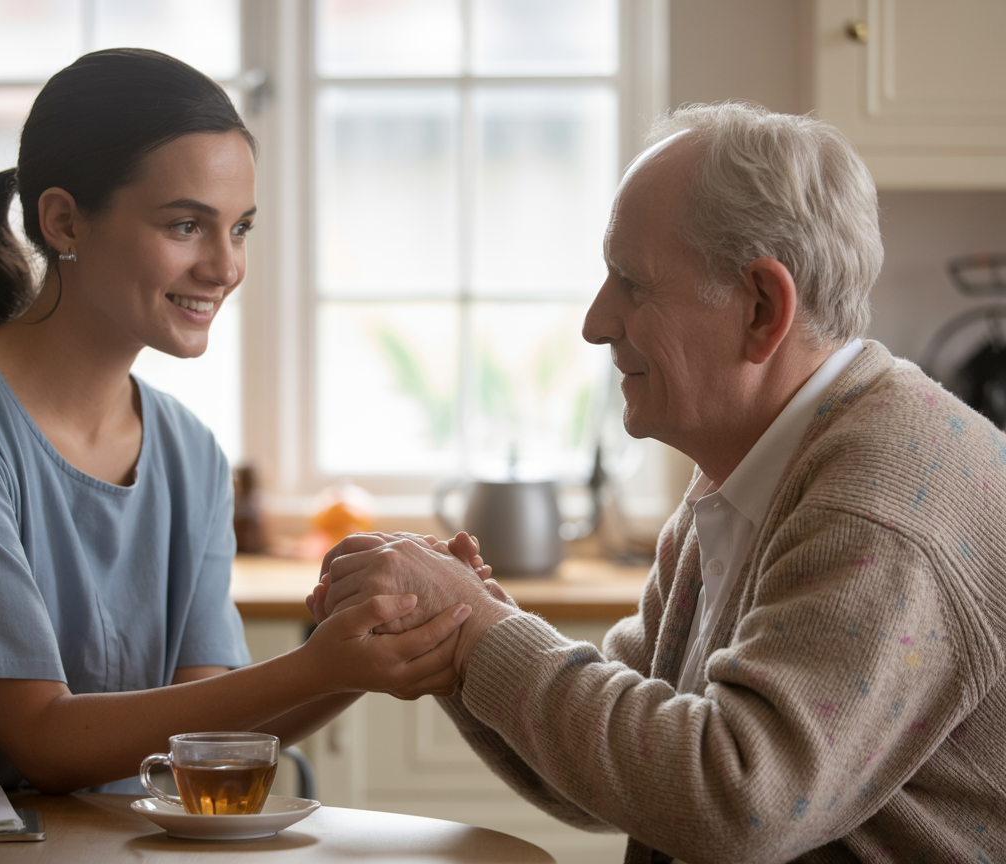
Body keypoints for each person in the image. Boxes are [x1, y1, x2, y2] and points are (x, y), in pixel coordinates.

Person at [310, 103, 1006, 862]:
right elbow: (633, 774)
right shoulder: (753, 467)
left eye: (632, 284)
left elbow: (736, 800)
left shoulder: (876, 506)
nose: (595, 322)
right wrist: (456, 631)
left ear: (763, 308)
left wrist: (480, 629)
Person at [0, 48, 473, 794]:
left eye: (240, 228)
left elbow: (207, 740)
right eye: (186, 225)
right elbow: (46, 739)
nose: (226, 266)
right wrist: (323, 663)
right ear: (63, 221)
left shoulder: (191, 453)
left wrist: (375, 652)